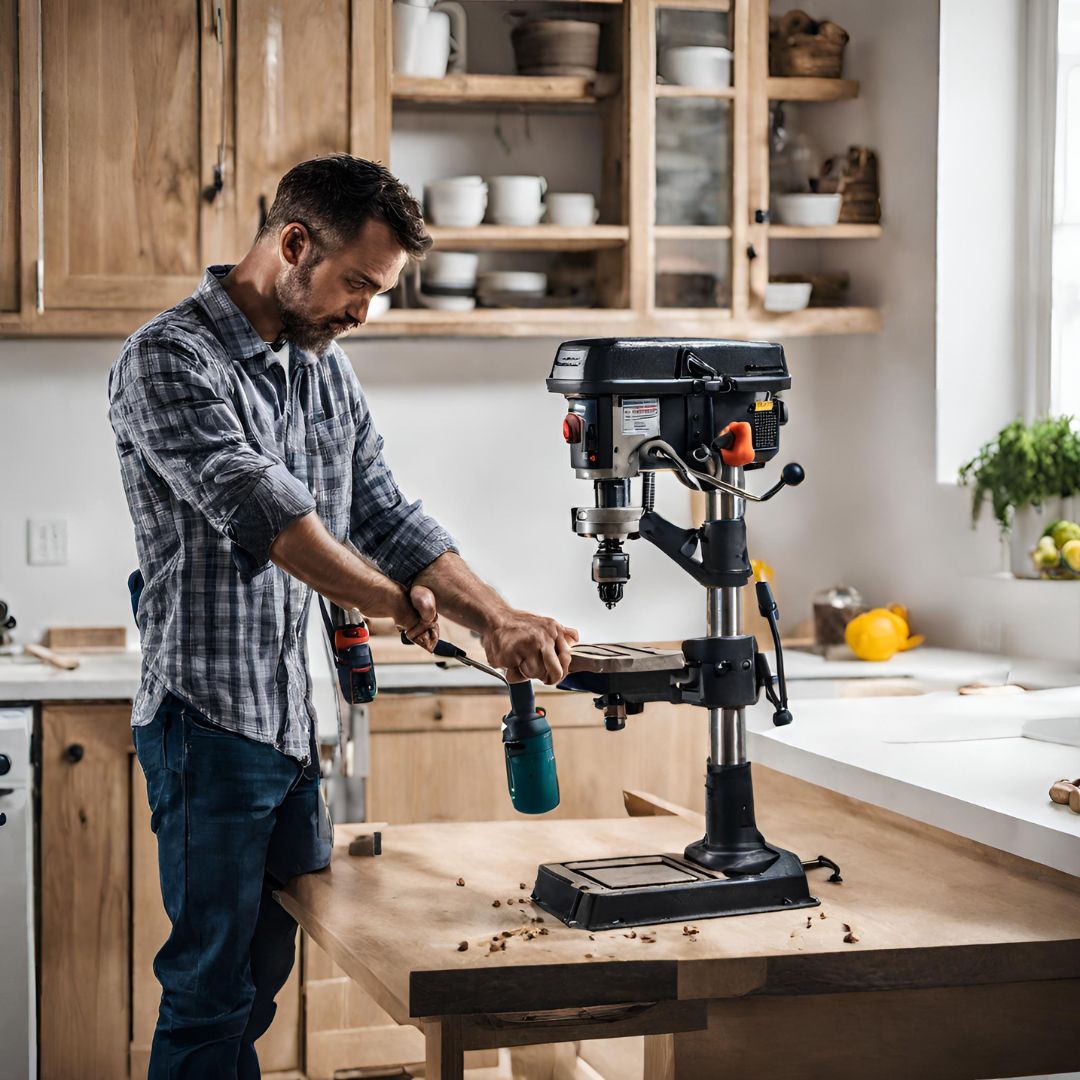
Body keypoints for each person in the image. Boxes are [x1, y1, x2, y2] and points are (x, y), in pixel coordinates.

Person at [108, 154, 578, 1079]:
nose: (364, 310)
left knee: (261, 969)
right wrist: (401, 606)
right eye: (357, 283)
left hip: (290, 729)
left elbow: (386, 512)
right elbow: (270, 515)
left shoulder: (323, 370)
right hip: (206, 724)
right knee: (209, 991)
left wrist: (498, 617)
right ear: (293, 245)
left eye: (380, 291)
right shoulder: (167, 360)